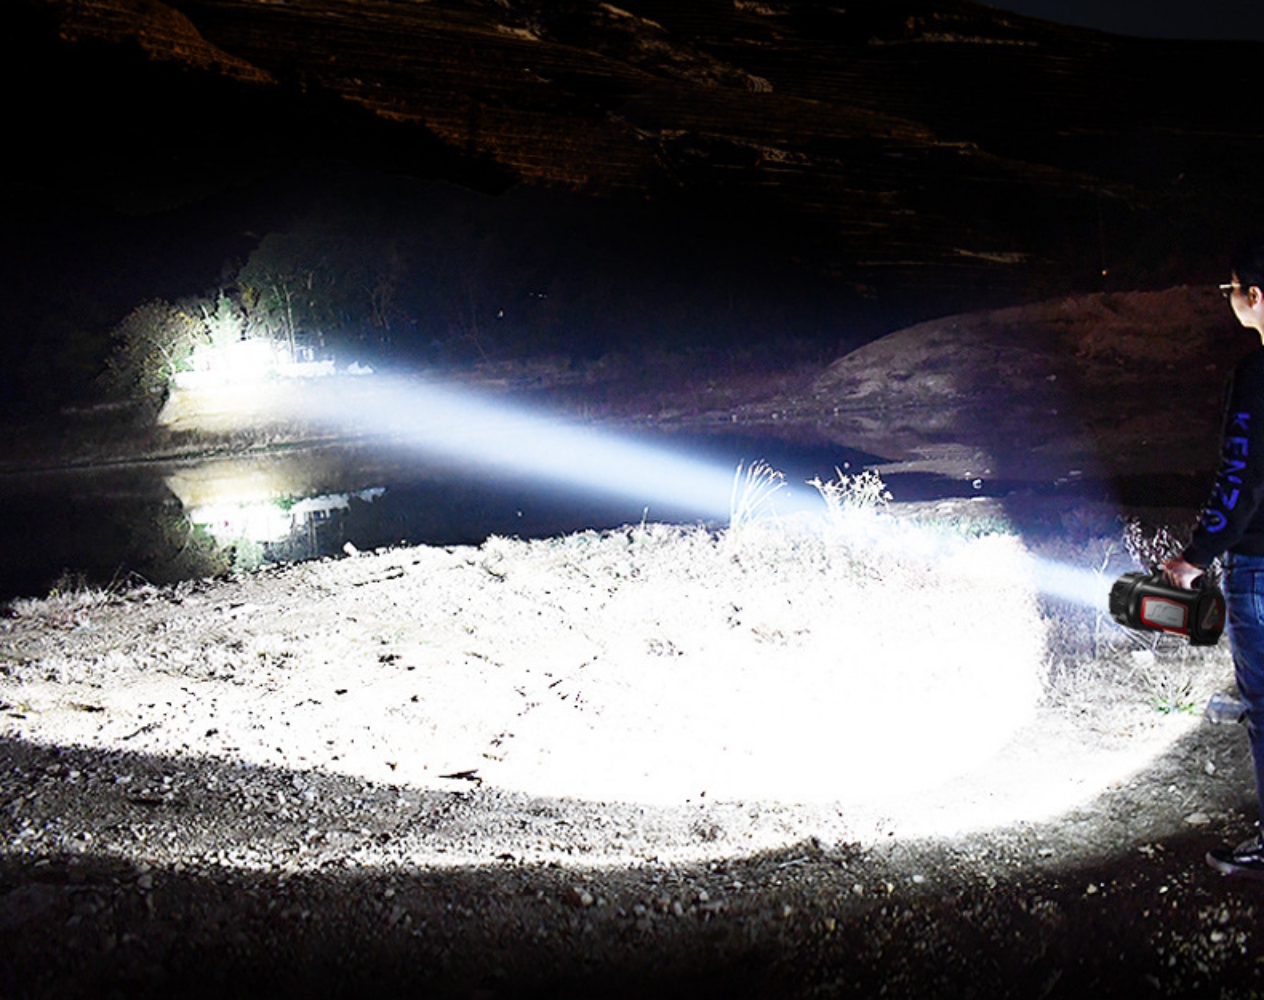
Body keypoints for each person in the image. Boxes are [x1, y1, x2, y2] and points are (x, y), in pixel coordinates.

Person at [1163, 236, 1264, 880]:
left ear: (1255, 296)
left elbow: (1241, 478)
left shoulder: (1256, 376)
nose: (1229, 299)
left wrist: (1196, 555)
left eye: (1230, 289)